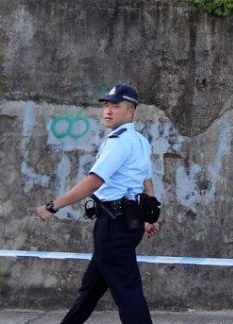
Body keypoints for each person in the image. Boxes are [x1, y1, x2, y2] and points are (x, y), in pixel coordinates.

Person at [35, 84, 160, 324]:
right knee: (90, 290)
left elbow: (93, 182)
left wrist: (53, 206)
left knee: (128, 292)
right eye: (106, 106)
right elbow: (146, 179)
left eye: (116, 106)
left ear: (131, 111)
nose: (108, 111)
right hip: (126, 224)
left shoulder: (120, 141)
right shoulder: (140, 141)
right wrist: (148, 217)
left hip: (114, 227)